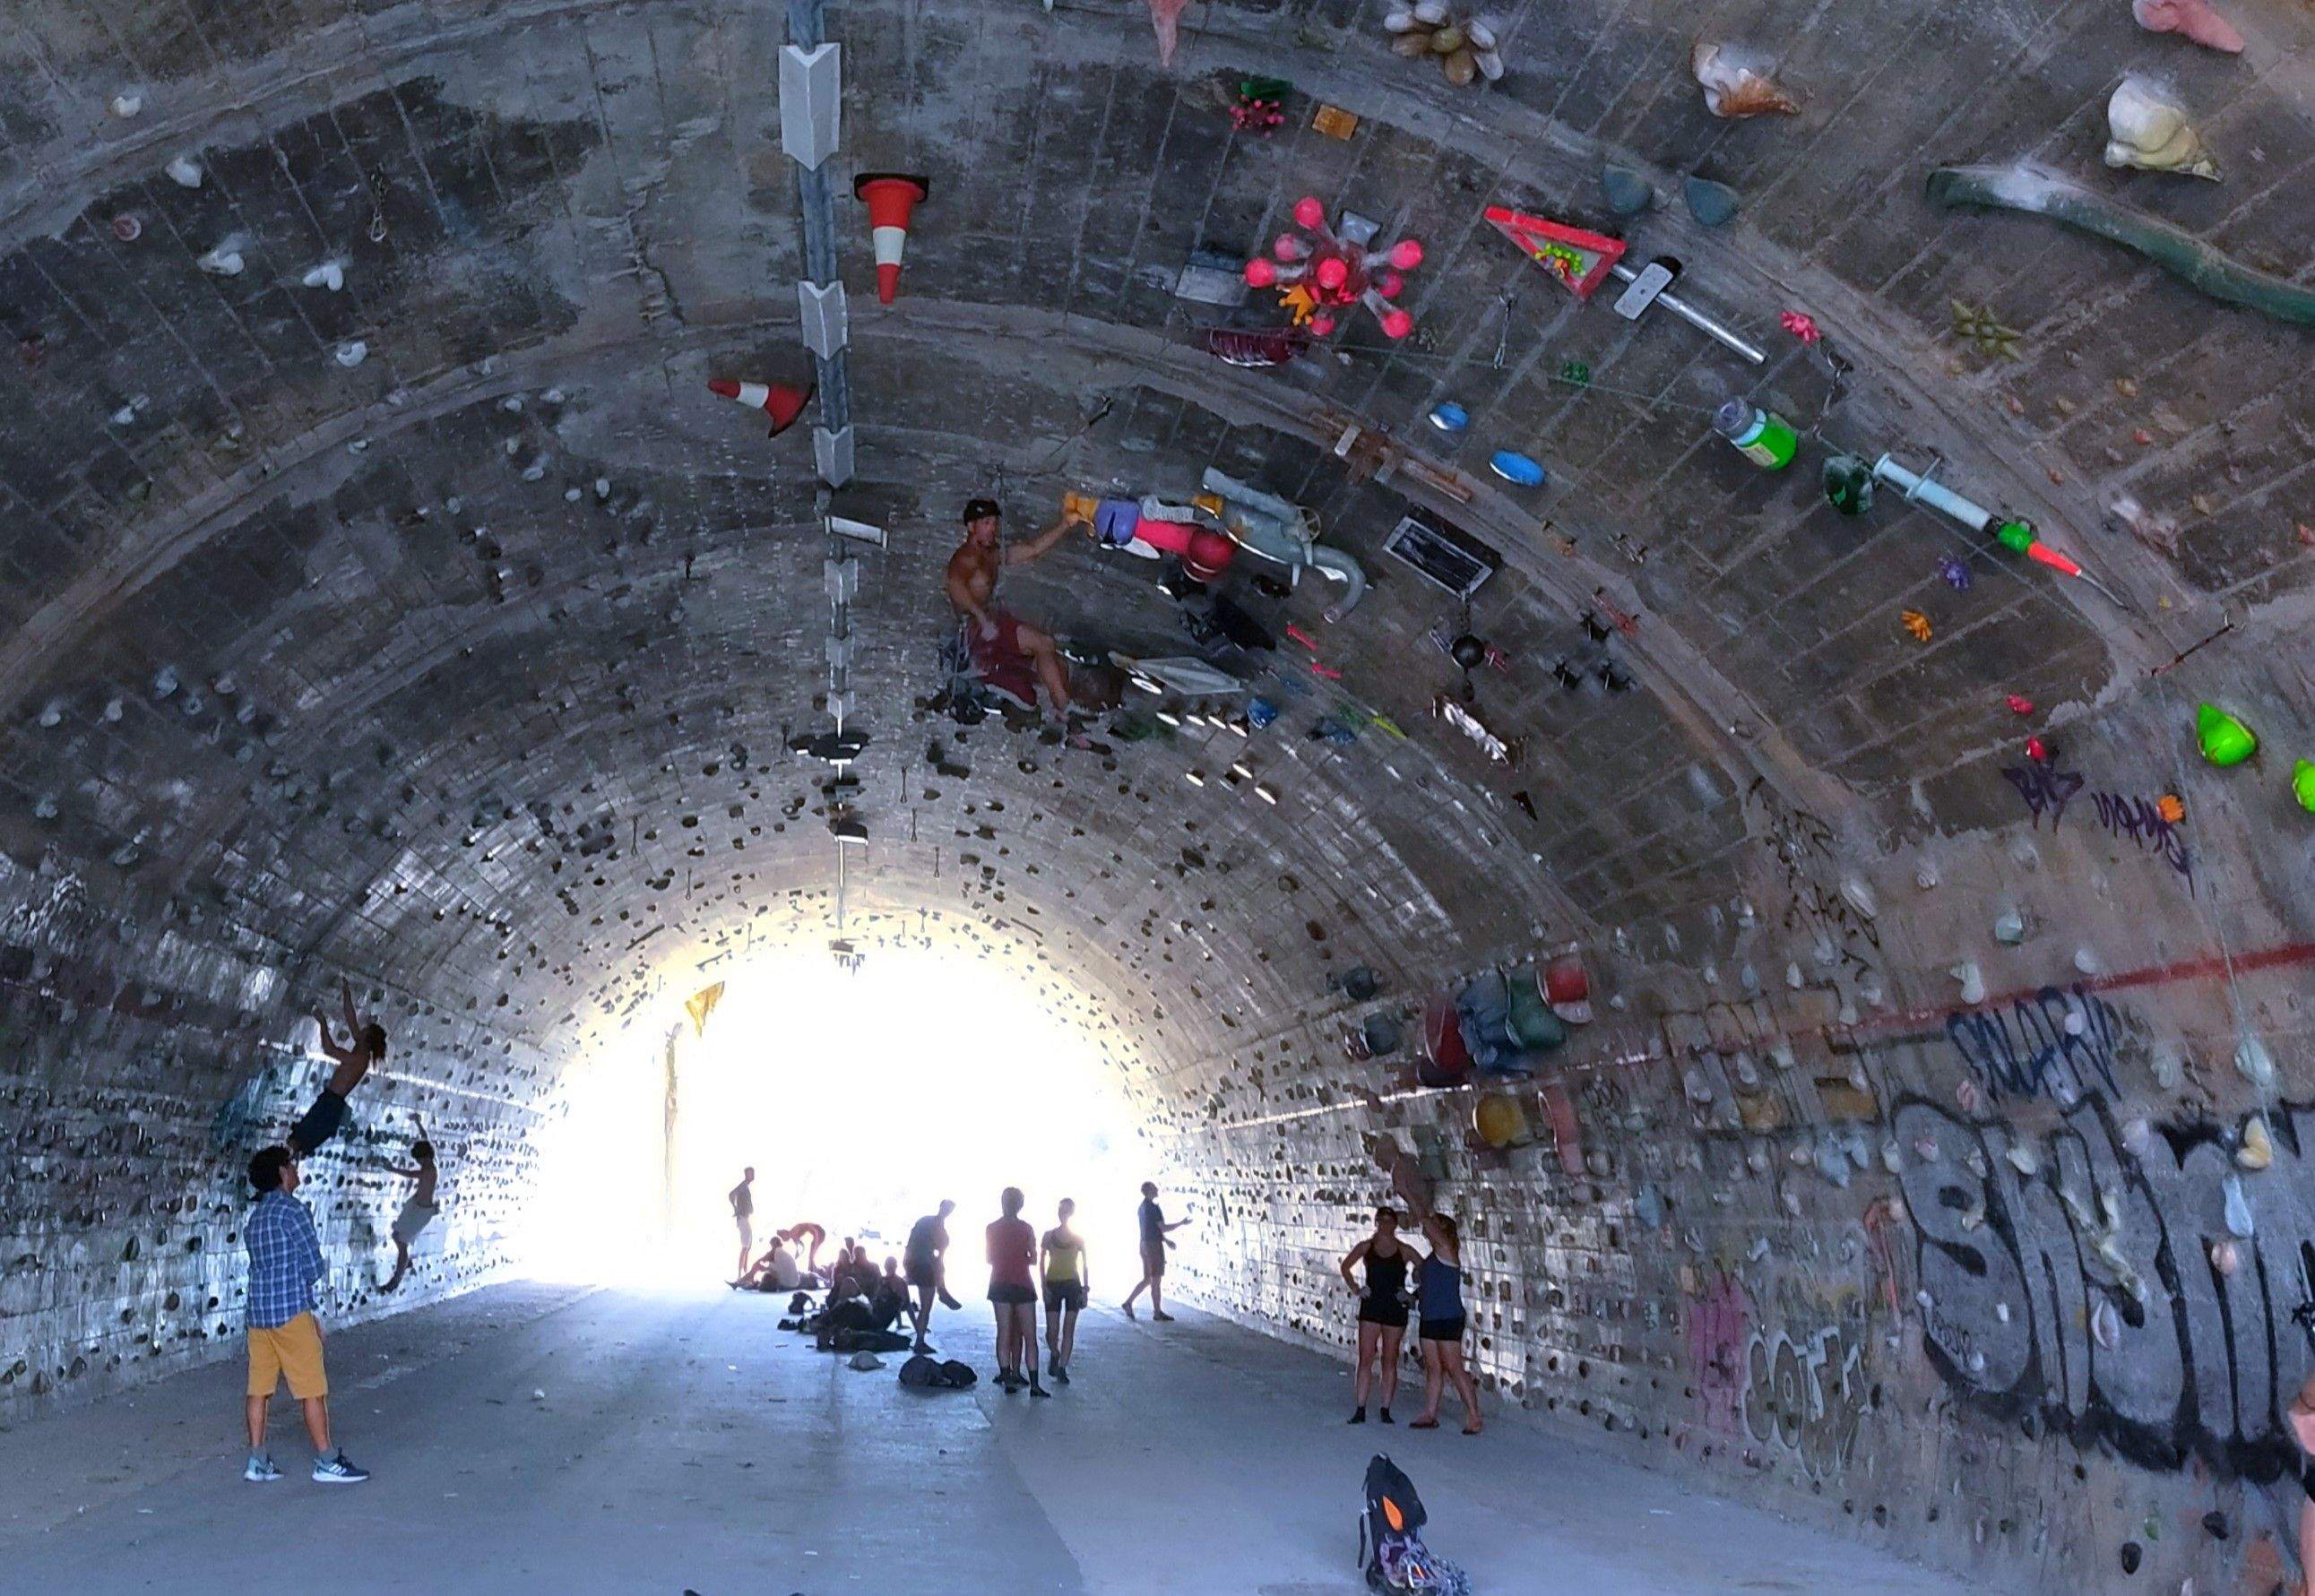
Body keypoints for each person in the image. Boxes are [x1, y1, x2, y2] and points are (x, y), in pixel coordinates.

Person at [241, 1145, 368, 1484]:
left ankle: (257, 1460)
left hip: (258, 1314)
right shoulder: (293, 1211)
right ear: (282, 1173)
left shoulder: (254, 1220)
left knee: (259, 1388)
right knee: (311, 1388)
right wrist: (312, 1310)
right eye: (292, 1166)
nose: (296, 1171)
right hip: (291, 1312)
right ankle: (327, 1460)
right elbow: (312, 1265)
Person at [945, 496, 1084, 721]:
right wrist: (983, 620)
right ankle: (1065, 708)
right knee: (1043, 644)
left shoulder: (991, 554)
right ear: (971, 527)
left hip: (992, 621)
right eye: (986, 524)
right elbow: (956, 588)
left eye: (994, 523)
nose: (993, 529)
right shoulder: (966, 558)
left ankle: (1067, 714)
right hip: (977, 631)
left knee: (1055, 660)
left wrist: (1065, 525)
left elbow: (1032, 550)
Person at [290, 979, 386, 1158]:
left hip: (331, 1104)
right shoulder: (361, 1047)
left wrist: (323, 1023)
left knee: (301, 1140)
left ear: (368, 1036)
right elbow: (351, 1019)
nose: (361, 1029)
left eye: (365, 1029)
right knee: (301, 1139)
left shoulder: (360, 1057)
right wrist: (346, 993)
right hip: (331, 1101)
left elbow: (330, 1050)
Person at [1408, 1212, 1481, 1435]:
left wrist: (1414, 1199)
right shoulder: (1432, 1256)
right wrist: (1412, 1297)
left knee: (1453, 1366)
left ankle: (1474, 1415)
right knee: (1433, 1367)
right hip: (1430, 1315)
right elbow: (1431, 1285)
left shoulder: (1447, 1250)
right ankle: (1430, 1414)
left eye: (1435, 1224)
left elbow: (1430, 1226)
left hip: (1448, 1316)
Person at [1341, 1205, 1413, 1424]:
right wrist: (1356, 1289)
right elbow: (1346, 1266)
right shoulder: (1366, 1247)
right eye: (1381, 1220)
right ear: (1376, 1223)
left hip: (1393, 1308)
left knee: (1389, 1358)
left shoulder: (1404, 1250)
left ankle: (1385, 1409)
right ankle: (1360, 1407)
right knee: (1366, 1357)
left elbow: (1425, 1269)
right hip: (1372, 1306)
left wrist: (1410, 1295)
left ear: (1395, 1224)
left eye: (1389, 1221)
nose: (1385, 1225)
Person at [987, 1187, 1048, 1396]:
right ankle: (1034, 1384)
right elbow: (1033, 1258)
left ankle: (1007, 1380)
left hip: (999, 1282)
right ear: (1020, 1205)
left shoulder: (991, 1228)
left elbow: (989, 1258)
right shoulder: (1026, 1228)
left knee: (1003, 1332)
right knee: (1030, 1336)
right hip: (1022, 1283)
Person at [380, 1122, 438, 1292]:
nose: (418, 1162)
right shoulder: (430, 1162)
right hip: (415, 1206)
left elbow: (412, 1175)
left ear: (426, 1157)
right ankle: (405, 1262)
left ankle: (396, 1279)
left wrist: (393, 1169)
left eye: (419, 1159)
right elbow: (425, 1138)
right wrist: (419, 1123)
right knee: (397, 1236)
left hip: (422, 1212)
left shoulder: (429, 1171)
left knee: (403, 1242)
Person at [1121, 1180, 1187, 1321]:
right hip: (1153, 1247)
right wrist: (1181, 1223)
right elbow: (1162, 1228)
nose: (1157, 1189)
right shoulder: (1153, 1208)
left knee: (1147, 1279)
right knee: (1156, 1280)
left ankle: (1128, 1302)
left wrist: (1165, 1240)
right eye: (1154, 1188)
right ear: (1150, 1191)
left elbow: (1149, 1229)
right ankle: (1157, 1312)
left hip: (1144, 1244)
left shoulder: (1141, 1208)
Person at [1040, 1198, 1089, 1385]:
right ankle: (1055, 1353)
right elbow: (1042, 1261)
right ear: (1058, 1212)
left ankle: (1062, 1368)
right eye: (1062, 1210)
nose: (1065, 1214)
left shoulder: (1078, 1238)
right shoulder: (1048, 1236)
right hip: (1053, 1283)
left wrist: (1085, 1289)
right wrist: (1043, 1286)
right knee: (1052, 1331)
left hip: (1072, 1285)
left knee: (1069, 1329)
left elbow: (1084, 1265)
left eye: (1068, 1211)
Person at [905, 1201, 963, 1352]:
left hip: (915, 1263)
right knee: (925, 1307)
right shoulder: (939, 1230)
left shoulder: (925, 1221)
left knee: (925, 1306)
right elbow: (939, 1256)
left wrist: (907, 1265)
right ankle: (919, 1341)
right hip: (925, 1267)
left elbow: (910, 1243)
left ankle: (942, 1290)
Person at [728, 1168, 755, 1282]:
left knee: (747, 1247)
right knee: (745, 1247)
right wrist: (735, 1208)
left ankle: (745, 1274)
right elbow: (731, 1194)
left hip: (745, 1219)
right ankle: (739, 1275)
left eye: (753, 1173)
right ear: (746, 1174)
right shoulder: (743, 1186)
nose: (753, 1175)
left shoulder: (745, 1186)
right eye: (751, 1173)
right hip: (743, 1219)